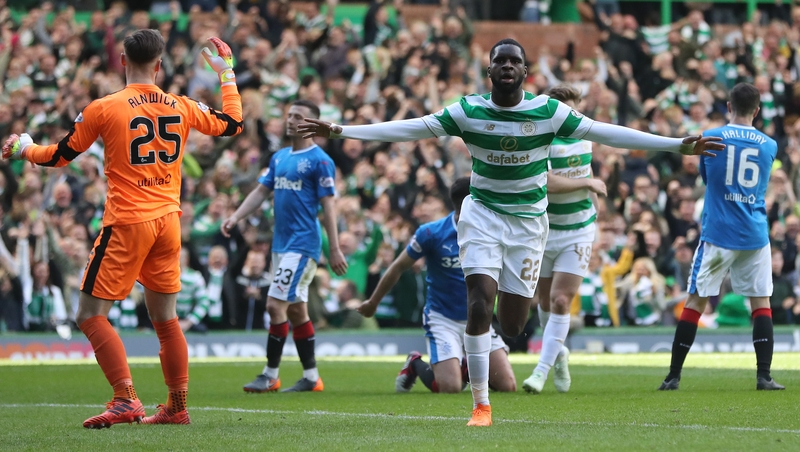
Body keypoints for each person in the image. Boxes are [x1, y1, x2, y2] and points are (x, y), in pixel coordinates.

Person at [298, 38, 722, 426]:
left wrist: (674, 144)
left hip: (528, 225)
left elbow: (608, 133)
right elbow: (409, 127)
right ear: (490, 72)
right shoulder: (469, 111)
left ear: (525, 73)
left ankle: (497, 349)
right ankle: (480, 404)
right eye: (499, 60)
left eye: (514, 61)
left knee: (515, 324)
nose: (506, 66)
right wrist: (340, 130)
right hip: (481, 216)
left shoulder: (547, 112)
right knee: (479, 304)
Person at [2, 31, 243, 427]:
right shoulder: (179, 105)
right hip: (168, 221)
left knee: (90, 314)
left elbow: (60, 156)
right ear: (160, 65)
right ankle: (177, 406)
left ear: (122, 62)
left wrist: (24, 147)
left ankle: (125, 398)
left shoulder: (104, 107)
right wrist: (226, 75)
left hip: (129, 222)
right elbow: (233, 124)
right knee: (166, 321)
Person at [659, 83, 785, 391]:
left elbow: (707, 177)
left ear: (728, 106)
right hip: (754, 233)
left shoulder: (711, 137)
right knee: (760, 302)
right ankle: (763, 376)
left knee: (696, 301)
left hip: (718, 231)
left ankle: (673, 375)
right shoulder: (769, 145)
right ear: (757, 111)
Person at [221, 99, 347, 394]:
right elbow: (260, 192)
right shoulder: (279, 158)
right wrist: (236, 216)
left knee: (274, 304)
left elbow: (329, 206)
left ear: (313, 124)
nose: (290, 120)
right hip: (281, 245)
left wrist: (335, 247)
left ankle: (270, 374)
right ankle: (312, 377)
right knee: (296, 312)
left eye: (298, 116)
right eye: (289, 115)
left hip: (303, 245)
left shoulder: (320, 161)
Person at [357, 177, 516, 394]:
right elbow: (397, 266)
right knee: (450, 387)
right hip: (443, 319)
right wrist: (373, 302)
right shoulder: (432, 233)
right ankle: (415, 363)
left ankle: (464, 365)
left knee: (508, 386)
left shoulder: (491, 231)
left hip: (478, 318)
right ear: (471, 202)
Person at [522, 85, 607, 395]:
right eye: (568, 111)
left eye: (577, 110)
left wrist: (595, 200)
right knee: (543, 302)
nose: (574, 117)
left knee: (560, 300)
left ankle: (541, 371)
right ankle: (558, 354)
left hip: (578, 230)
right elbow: (546, 182)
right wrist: (588, 182)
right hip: (544, 230)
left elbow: (585, 167)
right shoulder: (540, 142)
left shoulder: (584, 137)